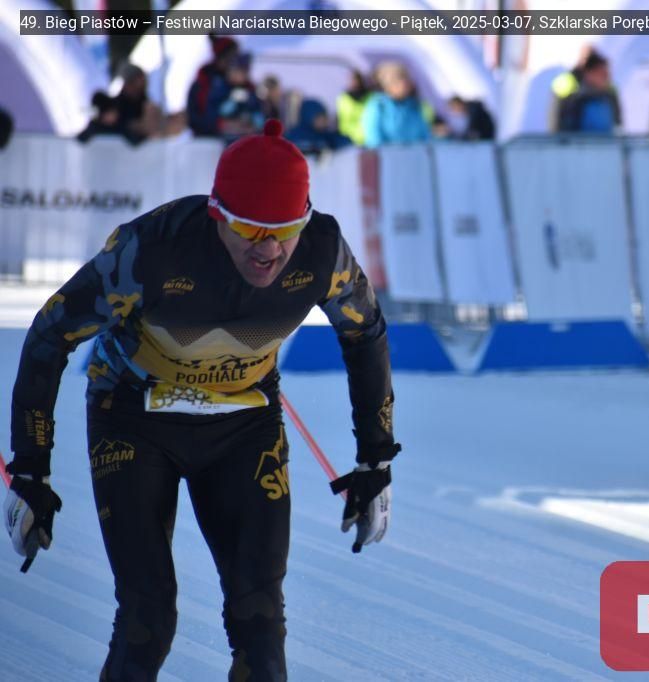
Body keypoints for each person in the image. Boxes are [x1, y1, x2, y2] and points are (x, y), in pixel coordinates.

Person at [4, 119, 400, 681]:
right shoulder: (151, 251)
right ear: (218, 214)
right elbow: (50, 335)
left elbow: (366, 334)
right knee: (148, 619)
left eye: (285, 229)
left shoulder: (323, 250)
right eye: (249, 229)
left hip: (243, 425)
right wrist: (30, 470)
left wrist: (375, 461)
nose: (269, 250)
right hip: (134, 419)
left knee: (260, 626)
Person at [361, 61, 431, 148]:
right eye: (403, 80)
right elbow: (374, 140)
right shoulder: (378, 106)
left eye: (408, 80)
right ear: (390, 84)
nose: (408, 85)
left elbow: (425, 135)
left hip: (415, 154)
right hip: (389, 155)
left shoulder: (414, 106)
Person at [187, 34, 239, 138]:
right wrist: (220, 125)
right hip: (207, 140)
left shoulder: (238, 82)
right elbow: (194, 118)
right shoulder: (203, 83)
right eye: (231, 57)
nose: (234, 61)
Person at [555, 53, 621, 134]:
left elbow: (618, 125)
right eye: (602, 74)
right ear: (589, 74)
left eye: (607, 74)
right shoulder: (575, 100)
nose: (607, 78)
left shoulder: (610, 97)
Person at [217, 52, 264, 138]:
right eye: (231, 71)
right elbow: (220, 112)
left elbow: (260, 120)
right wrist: (232, 101)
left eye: (237, 72)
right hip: (227, 135)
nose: (233, 74)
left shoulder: (252, 90)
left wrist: (253, 117)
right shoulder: (222, 88)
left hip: (248, 135)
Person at [287, 98, 351, 154]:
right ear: (308, 118)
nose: (324, 121)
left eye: (325, 117)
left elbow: (341, 141)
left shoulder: (324, 135)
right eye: (319, 117)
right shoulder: (294, 136)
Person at [336, 71, 373, 146]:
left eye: (356, 80)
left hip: (369, 140)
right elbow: (342, 122)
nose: (354, 83)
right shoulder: (343, 99)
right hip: (348, 141)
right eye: (352, 80)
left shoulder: (371, 97)